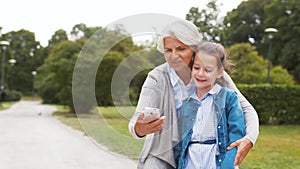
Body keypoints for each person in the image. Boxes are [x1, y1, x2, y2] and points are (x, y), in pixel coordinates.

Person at [128, 19, 259, 169]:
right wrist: (140, 128)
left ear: (194, 49)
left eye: (181, 49)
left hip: (199, 151)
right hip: (163, 152)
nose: (174, 56)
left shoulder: (213, 72)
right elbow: (135, 123)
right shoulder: (156, 78)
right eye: (168, 50)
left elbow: (246, 109)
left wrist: (249, 139)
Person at [177, 42, 245, 169]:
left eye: (207, 70)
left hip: (215, 160)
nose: (200, 74)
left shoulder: (228, 98)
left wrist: (228, 164)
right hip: (191, 160)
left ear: (219, 72)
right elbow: (180, 140)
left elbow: (236, 134)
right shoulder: (187, 102)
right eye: (196, 68)